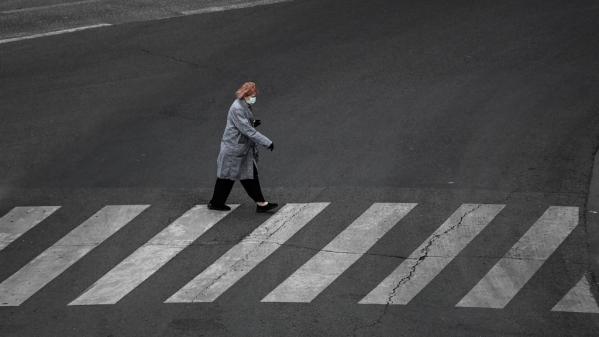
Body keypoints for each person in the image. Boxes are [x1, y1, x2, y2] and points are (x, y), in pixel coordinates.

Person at [208, 82, 279, 213]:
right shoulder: (237, 108)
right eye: (252, 95)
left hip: (240, 149)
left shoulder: (243, 104)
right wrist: (267, 142)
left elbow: (243, 124)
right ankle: (217, 203)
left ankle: (260, 204)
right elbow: (247, 131)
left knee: (241, 176)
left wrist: (252, 122)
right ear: (245, 95)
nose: (254, 97)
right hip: (234, 149)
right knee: (233, 177)